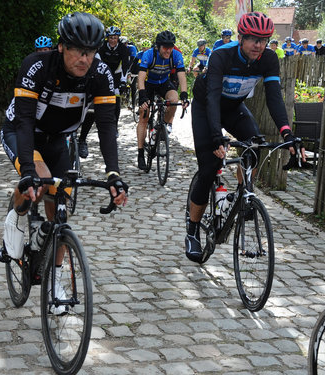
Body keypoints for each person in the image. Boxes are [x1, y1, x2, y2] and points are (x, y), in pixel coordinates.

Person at [0, 12, 128, 313]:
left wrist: (113, 173)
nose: (84, 59)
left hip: (58, 139)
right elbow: (25, 119)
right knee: (40, 182)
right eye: (77, 51)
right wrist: (29, 173)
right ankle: (16, 217)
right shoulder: (37, 66)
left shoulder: (100, 73)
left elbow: (107, 125)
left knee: (61, 206)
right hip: (23, 132)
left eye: (91, 51)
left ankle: (53, 281)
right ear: (62, 47)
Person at [185, 12, 305, 263]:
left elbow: (274, 96)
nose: (258, 45)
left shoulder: (269, 58)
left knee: (254, 144)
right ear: (240, 38)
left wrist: (287, 132)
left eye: (263, 39)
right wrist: (217, 137)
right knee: (209, 168)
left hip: (234, 108)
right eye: (252, 39)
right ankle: (193, 230)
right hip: (208, 106)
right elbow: (212, 96)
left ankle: (243, 195)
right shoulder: (222, 55)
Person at [136, 30, 190, 170]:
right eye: (165, 47)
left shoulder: (176, 55)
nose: (168, 50)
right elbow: (141, 77)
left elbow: (182, 76)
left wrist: (184, 94)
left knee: (174, 99)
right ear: (158, 46)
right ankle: (140, 153)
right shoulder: (149, 54)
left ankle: (162, 127)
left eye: (171, 46)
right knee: (144, 114)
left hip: (164, 83)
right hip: (148, 84)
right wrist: (142, 96)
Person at [78, 26, 130, 157]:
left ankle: (114, 126)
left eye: (115, 38)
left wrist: (123, 81)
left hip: (116, 76)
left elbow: (125, 66)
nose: (113, 40)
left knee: (116, 99)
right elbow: (96, 63)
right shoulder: (101, 48)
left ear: (118, 38)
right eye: (111, 38)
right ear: (107, 38)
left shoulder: (123, 48)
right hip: (100, 75)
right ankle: (82, 138)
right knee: (93, 108)